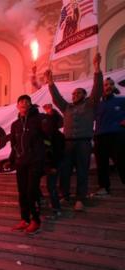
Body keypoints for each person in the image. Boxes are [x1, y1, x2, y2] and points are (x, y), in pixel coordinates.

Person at [45, 52, 103, 211]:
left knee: (82, 171)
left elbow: (97, 89)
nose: (75, 95)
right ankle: (65, 196)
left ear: (84, 95)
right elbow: (56, 98)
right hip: (68, 144)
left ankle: (80, 199)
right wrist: (50, 82)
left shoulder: (90, 105)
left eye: (78, 93)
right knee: (65, 171)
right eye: (73, 93)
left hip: (84, 143)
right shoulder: (67, 108)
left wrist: (97, 68)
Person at [6, 95, 45, 234]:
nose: (23, 103)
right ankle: (25, 219)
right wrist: (11, 160)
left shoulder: (38, 119)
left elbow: (50, 132)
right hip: (21, 162)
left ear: (30, 105)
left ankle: (35, 220)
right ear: (17, 106)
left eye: (26, 101)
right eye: (21, 101)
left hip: (35, 161)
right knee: (22, 192)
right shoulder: (15, 125)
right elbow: (14, 145)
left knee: (31, 191)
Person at [93, 77, 125, 196]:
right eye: (106, 85)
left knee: (122, 161)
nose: (108, 86)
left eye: (111, 84)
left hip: (118, 135)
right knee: (101, 164)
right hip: (100, 136)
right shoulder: (97, 105)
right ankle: (104, 187)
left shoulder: (121, 100)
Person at [42, 103, 65, 218]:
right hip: (45, 164)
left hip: (52, 165)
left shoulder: (57, 136)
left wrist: (54, 166)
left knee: (51, 187)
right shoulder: (45, 135)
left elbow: (57, 153)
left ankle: (56, 209)